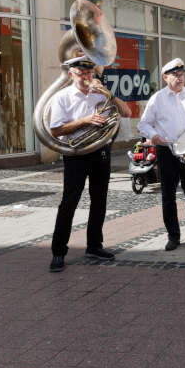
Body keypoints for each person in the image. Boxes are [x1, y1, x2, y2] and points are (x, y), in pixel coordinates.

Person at [48, 55, 132, 272]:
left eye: (89, 73)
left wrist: (110, 95)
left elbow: (126, 112)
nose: (86, 77)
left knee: (99, 201)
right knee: (69, 202)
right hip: (76, 154)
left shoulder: (99, 93)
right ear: (71, 75)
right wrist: (85, 121)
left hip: (100, 152)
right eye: (81, 73)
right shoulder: (62, 97)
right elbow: (56, 130)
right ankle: (58, 252)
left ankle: (94, 246)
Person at [138, 58, 185, 251]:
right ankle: (173, 236)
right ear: (165, 77)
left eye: (182, 75)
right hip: (167, 152)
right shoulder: (158, 99)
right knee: (168, 196)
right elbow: (143, 124)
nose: (180, 79)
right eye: (176, 75)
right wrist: (154, 136)